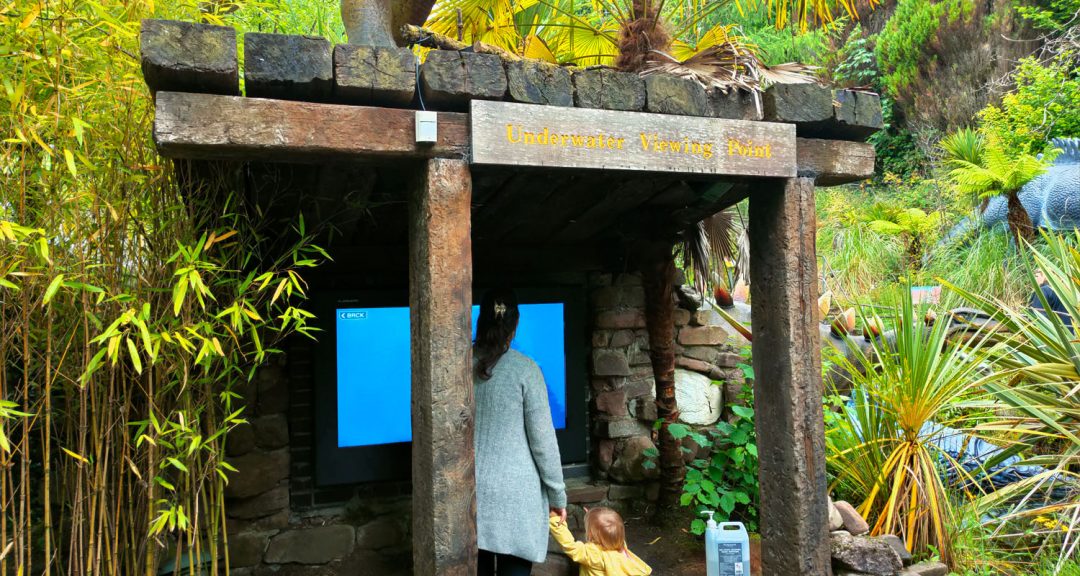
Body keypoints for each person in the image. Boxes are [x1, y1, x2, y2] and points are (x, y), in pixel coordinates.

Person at [474, 288, 567, 576]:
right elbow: (543, 443)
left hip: (468, 494)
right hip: (516, 500)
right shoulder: (526, 370)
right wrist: (558, 497)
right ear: (514, 326)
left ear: (481, 321)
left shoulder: (455, 365)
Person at [549, 507, 653, 576]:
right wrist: (592, 517)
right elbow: (608, 529)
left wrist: (555, 520)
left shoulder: (593, 554)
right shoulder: (621, 546)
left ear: (590, 534)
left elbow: (571, 546)